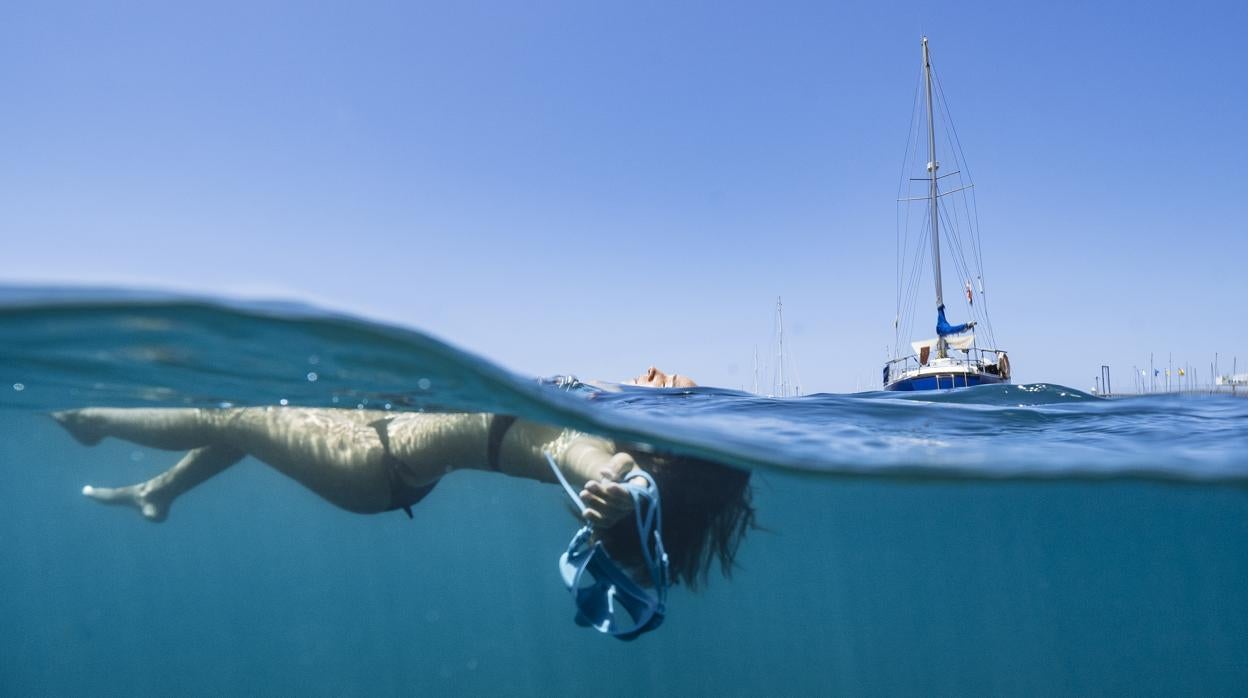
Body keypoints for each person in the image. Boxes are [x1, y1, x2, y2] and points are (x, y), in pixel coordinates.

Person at [53, 368, 753, 589]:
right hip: (387, 449)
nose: (665, 380)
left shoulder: (605, 451)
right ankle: (159, 491)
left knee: (234, 416)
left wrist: (616, 482)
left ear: (671, 459)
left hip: (368, 469)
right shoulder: (607, 417)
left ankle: (94, 419)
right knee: (266, 423)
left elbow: (585, 457)